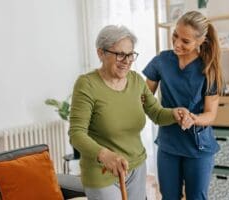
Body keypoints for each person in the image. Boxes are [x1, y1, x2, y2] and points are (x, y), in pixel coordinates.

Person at [69, 25, 192, 200]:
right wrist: (104, 155)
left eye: (130, 54)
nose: (126, 61)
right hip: (102, 171)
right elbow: (76, 134)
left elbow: (156, 113)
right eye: (120, 54)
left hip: (136, 168)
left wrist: (175, 113)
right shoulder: (87, 85)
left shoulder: (136, 81)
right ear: (101, 53)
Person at [143, 11, 224, 200]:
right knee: (169, 197)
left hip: (198, 146)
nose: (177, 44)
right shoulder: (161, 61)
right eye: (175, 36)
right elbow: (145, 98)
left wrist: (194, 118)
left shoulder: (209, 68)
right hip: (168, 144)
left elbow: (211, 114)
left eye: (185, 41)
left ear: (201, 40)